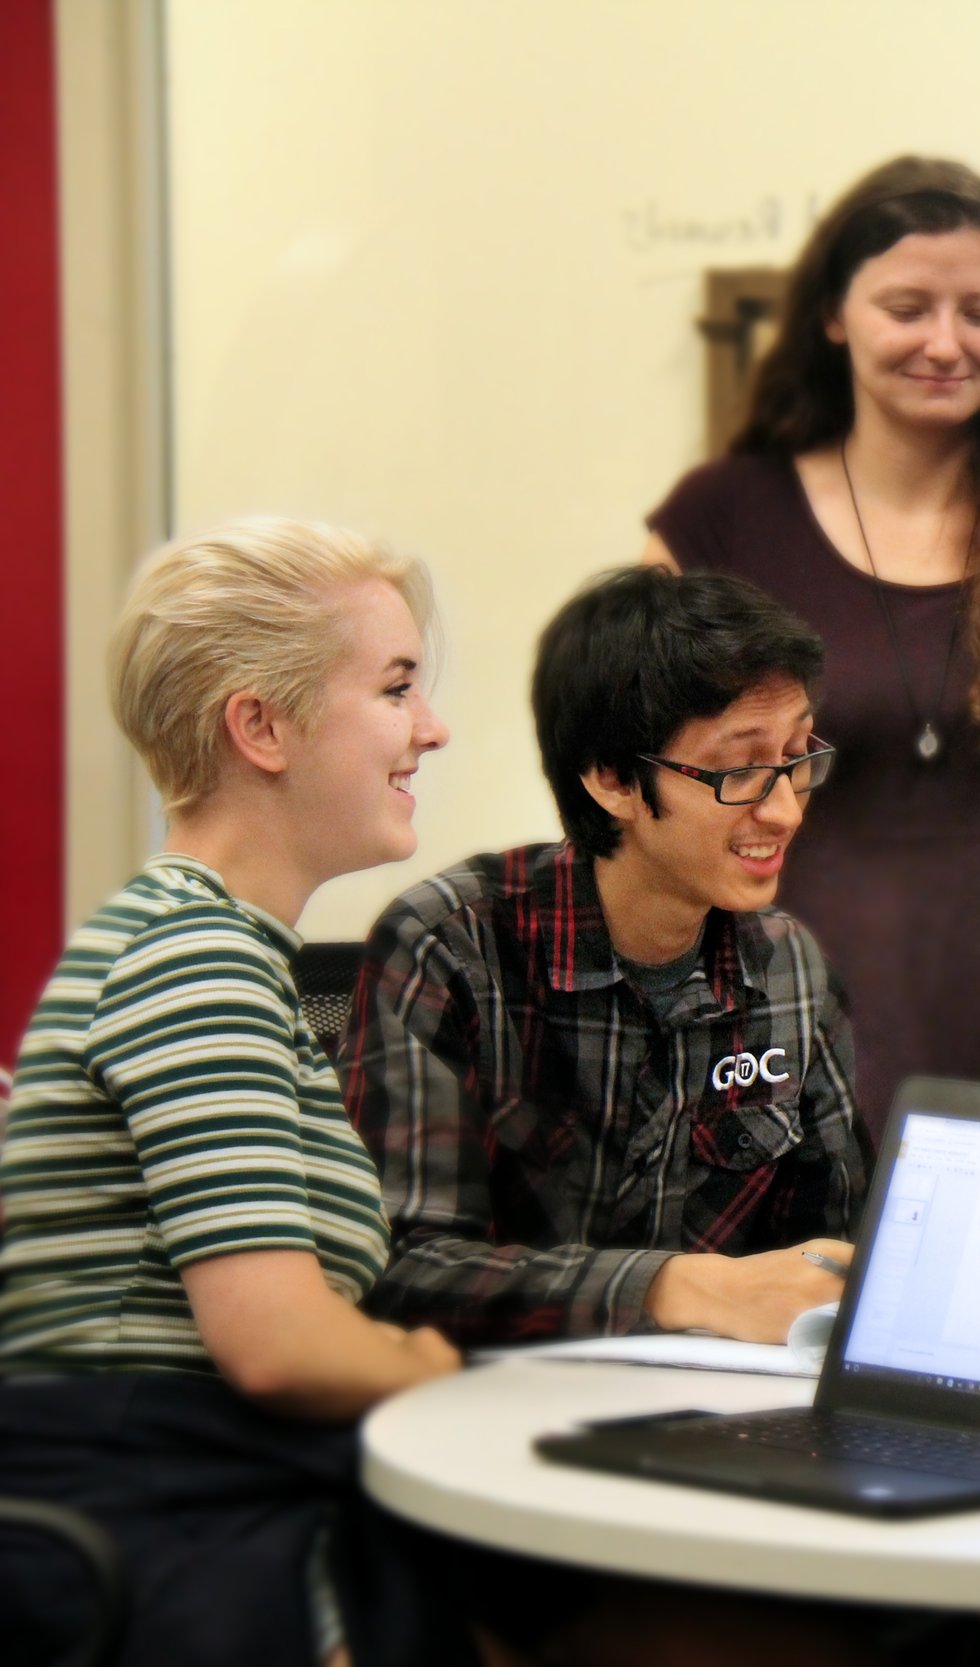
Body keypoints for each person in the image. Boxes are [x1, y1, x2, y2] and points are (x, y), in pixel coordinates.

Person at [0, 520, 491, 1665]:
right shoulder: (193, 959)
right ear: (260, 726)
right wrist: (430, 1370)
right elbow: (279, 1345)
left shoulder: (203, 945)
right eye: (396, 686)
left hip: (187, 1513)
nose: (432, 725)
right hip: (166, 1535)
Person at [644, 156, 980, 1144]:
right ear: (833, 316)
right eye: (907, 307)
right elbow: (648, 806)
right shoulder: (717, 525)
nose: (945, 342)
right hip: (785, 1027)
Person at [339, 567, 865, 1349]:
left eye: (796, 756)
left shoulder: (787, 967)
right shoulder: (452, 944)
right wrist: (673, 1286)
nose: (784, 807)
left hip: (717, 1418)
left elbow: (832, 1253)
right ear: (613, 777)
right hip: (488, 1413)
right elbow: (397, 1270)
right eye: (742, 770)